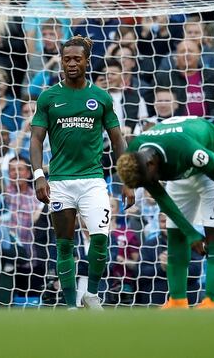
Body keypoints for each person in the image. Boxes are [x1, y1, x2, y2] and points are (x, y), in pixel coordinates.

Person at [29, 36, 135, 310]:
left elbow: (118, 140)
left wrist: (127, 178)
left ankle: (92, 294)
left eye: (77, 59)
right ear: (61, 62)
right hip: (60, 182)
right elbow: (36, 139)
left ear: (87, 61)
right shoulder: (49, 97)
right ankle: (70, 306)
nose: (72, 63)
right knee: (64, 244)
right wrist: (39, 175)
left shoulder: (100, 97)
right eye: (67, 59)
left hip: (93, 181)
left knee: (100, 238)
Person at [117, 116, 214, 309]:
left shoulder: (188, 150)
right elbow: (162, 198)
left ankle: (211, 302)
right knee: (175, 232)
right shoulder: (136, 156)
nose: (148, 185)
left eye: (147, 181)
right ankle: (177, 301)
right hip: (181, 170)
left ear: (151, 164)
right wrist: (190, 233)